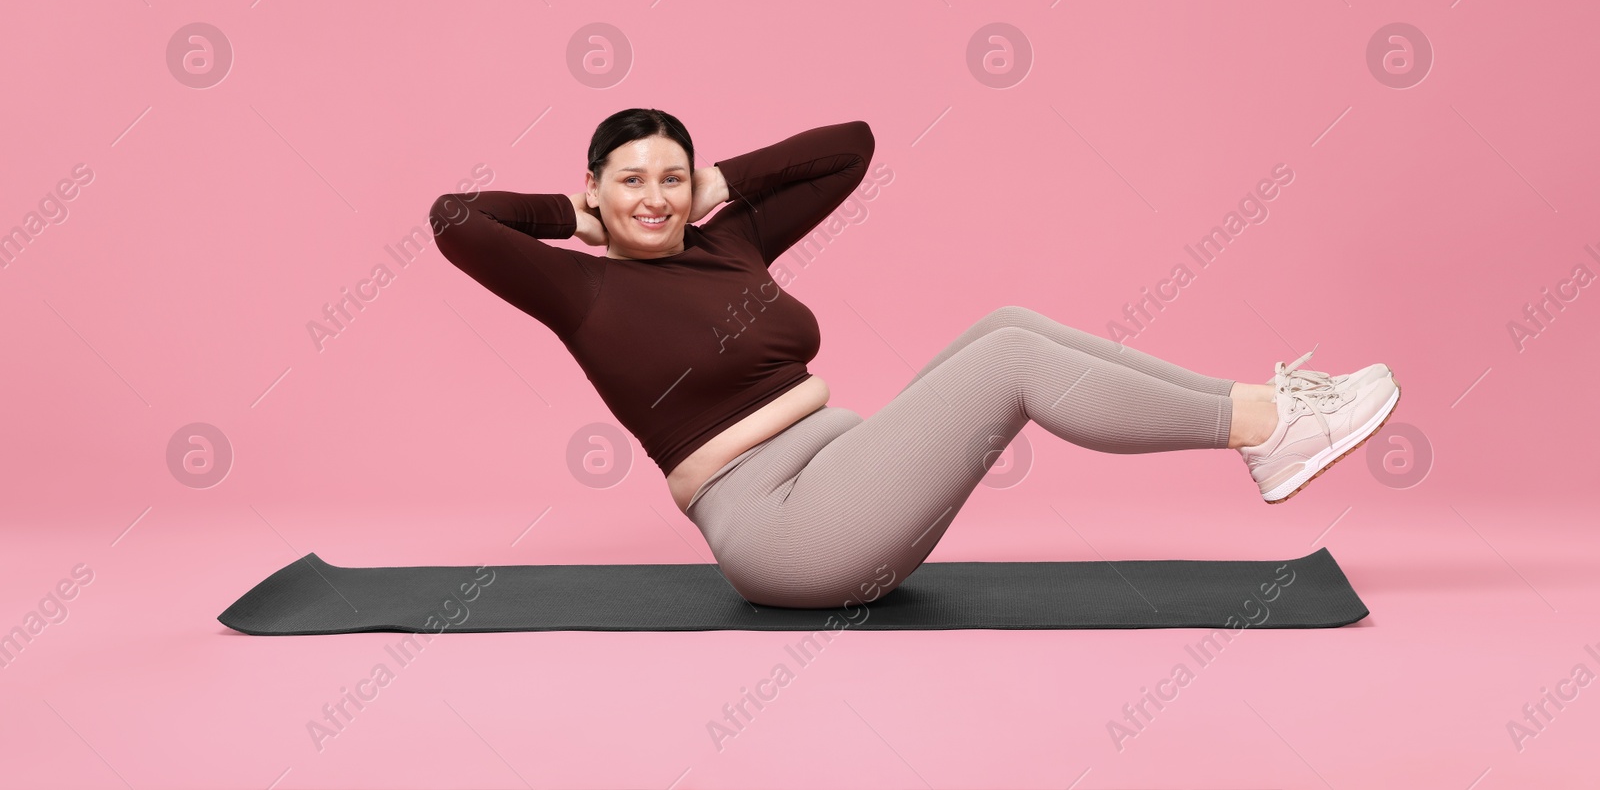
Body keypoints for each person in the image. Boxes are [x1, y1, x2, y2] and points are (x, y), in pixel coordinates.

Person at [429, 109, 1401, 610]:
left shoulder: (727, 241)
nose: (654, 197)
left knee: (1004, 319)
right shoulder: (580, 289)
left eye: (671, 177)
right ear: (596, 188)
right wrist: (572, 219)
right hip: (783, 532)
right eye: (630, 181)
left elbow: (848, 147)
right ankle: (1266, 430)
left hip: (837, 472)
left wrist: (719, 184)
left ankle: (1263, 408)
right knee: (1012, 358)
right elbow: (454, 220)